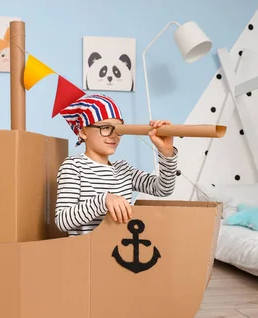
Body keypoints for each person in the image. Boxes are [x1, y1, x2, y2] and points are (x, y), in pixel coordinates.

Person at [55, 94, 178, 236]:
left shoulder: (124, 170)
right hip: (87, 253)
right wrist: (104, 200)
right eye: (106, 127)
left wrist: (166, 152)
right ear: (83, 131)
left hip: (120, 253)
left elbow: (163, 189)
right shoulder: (74, 166)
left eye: (119, 129)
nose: (114, 135)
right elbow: (63, 221)